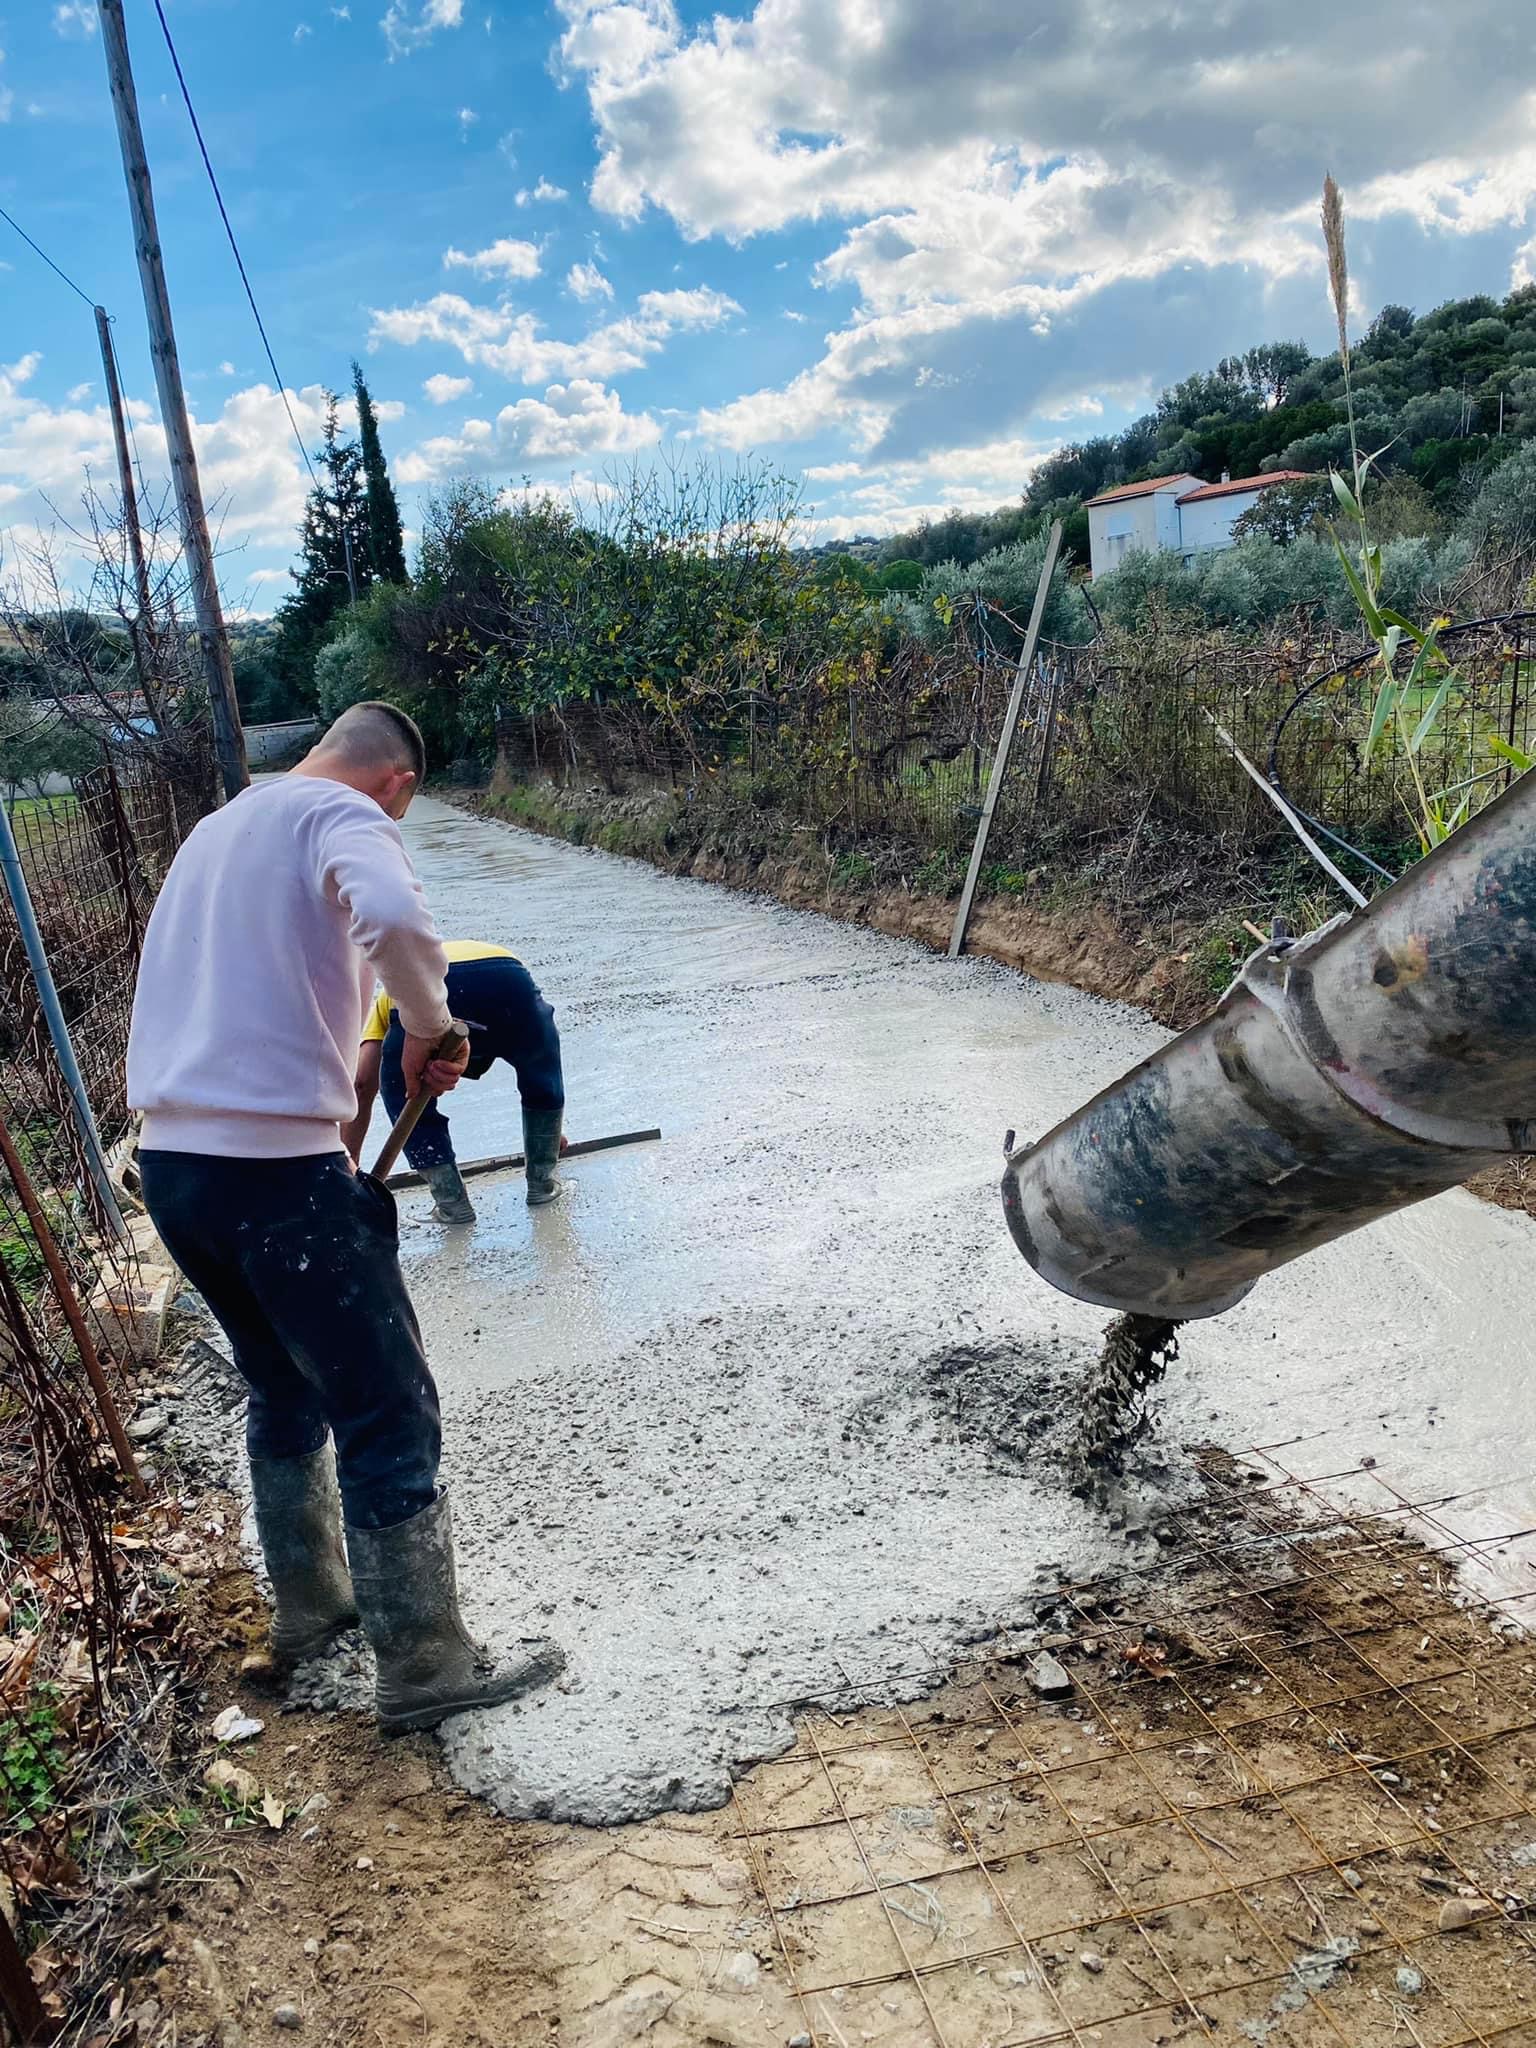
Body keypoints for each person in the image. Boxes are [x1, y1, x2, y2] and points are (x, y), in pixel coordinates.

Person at [125, 703, 565, 1733]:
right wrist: (434, 1023)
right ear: (398, 785)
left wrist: (392, 1043)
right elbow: (403, 926)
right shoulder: (344, 815)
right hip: (275, 1171)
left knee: (280, 1381)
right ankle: (424, 1663)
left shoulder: (221, 826)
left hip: (174, 1167)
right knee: (387, 1405)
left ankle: (312, 1608)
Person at [342, 941, 566, 1224]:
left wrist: (344, 1172)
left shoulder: (386, 998)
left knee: (404, 1090)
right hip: (507, 974)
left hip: (422, 987)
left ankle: (452, 1204)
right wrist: (549, 1136)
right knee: (539, 1072)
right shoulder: (462, 956)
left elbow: (362, 1085)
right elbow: (544, 1071)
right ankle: (543, 1186)